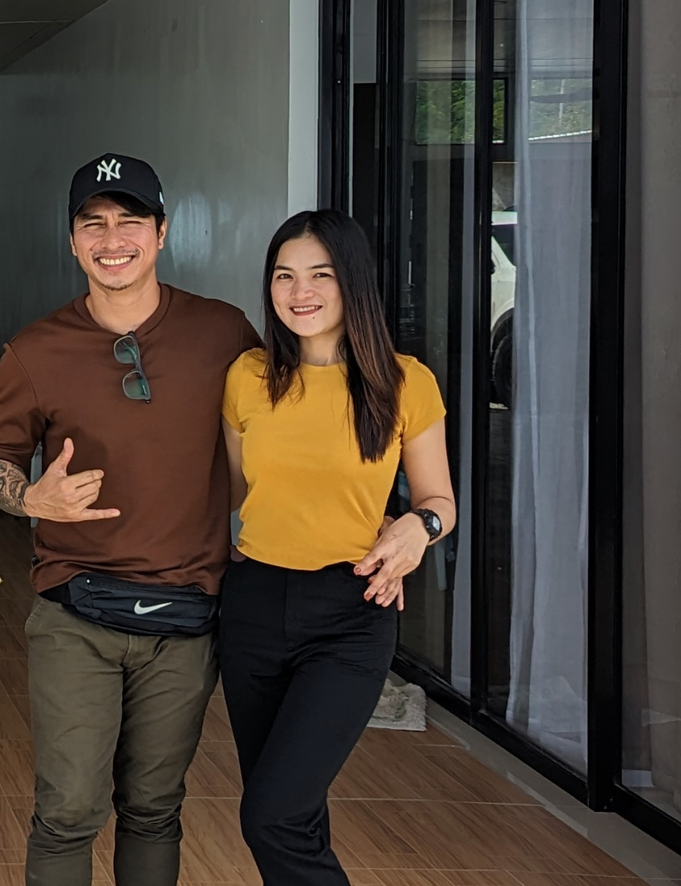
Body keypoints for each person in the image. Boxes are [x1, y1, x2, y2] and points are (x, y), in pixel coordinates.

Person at [0, 153, 262, 886]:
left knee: (155, 806)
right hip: (77, 609)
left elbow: (282, 431)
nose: (112, 239)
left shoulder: (224, 334)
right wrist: (31, 498)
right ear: (72, 242)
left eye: (130, 221)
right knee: (68, 809)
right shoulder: (36, 350)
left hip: (188, 612)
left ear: (161, 232)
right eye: (93, 224)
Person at [220, 209, 454, 884]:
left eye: (320, 274)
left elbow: (440, 502)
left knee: (270, 814)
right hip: (255, 607)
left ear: (353, 282)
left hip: (351, 611)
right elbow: (234, 498)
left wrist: (416, 529)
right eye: (284, 275)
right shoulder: (247, 377)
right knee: (294, 812)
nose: (300, 291)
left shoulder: (405, 383)